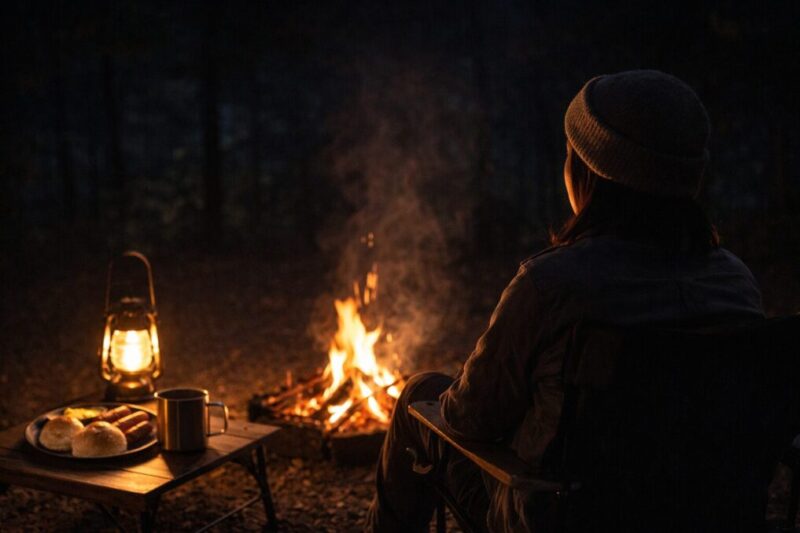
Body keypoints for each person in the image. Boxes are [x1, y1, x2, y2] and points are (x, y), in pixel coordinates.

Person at [364, 70, 764, 532]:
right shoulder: (735, 283)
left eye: (571, 155)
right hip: (703, 515)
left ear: (590, 174)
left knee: (419, 395)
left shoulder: (552, 285)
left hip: (566, 517)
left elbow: (468, 417)